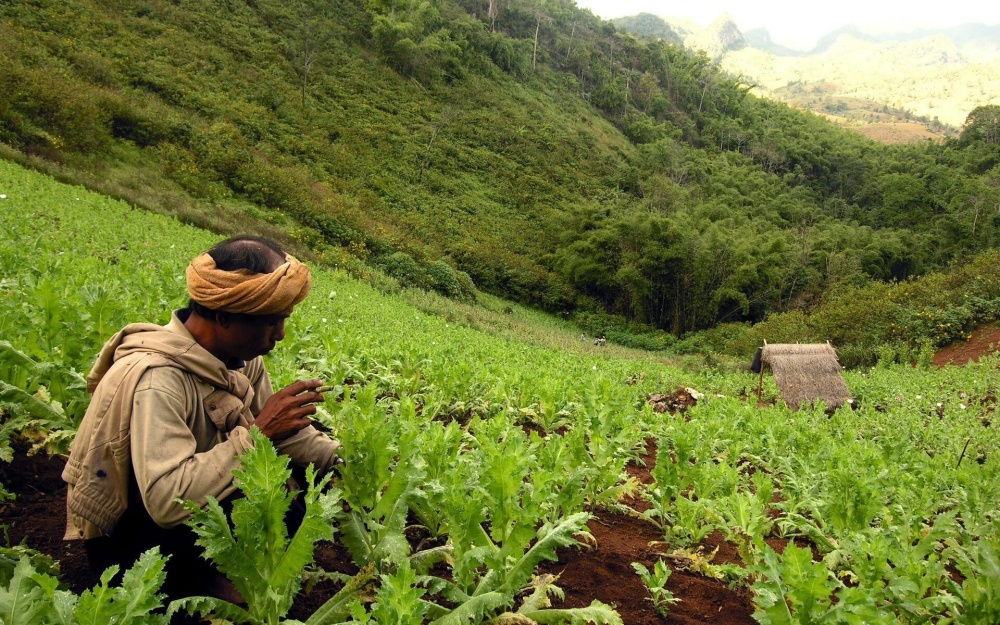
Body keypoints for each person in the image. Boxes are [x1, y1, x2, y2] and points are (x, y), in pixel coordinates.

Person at [62, 235, 341, 603]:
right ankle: (196, 589)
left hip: (194, 510)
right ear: (224, 316)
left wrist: (341, 457)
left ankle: (218, 577)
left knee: (294, 491)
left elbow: (282, 435)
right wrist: (259, 434)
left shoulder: (242, 359)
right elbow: (165, 501)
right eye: (272, 322)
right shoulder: (158, 377)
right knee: (262, 484)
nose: (281, 335)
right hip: (133, 545)